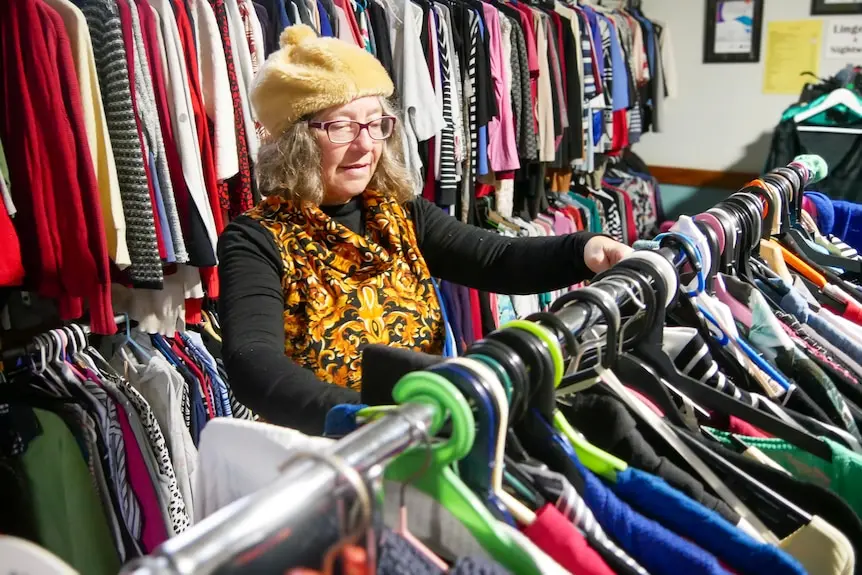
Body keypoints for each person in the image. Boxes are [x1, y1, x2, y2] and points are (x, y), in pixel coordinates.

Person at [219, 24, 633, 434]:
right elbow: (255, 363)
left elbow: (497, 259)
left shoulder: (400, 214)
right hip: (327, 459)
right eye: (341, 127)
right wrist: (363, 417)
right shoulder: (258, 239)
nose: (366, 145)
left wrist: (585, 249)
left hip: (426, 438)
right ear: (295, 140)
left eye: (375, 123)